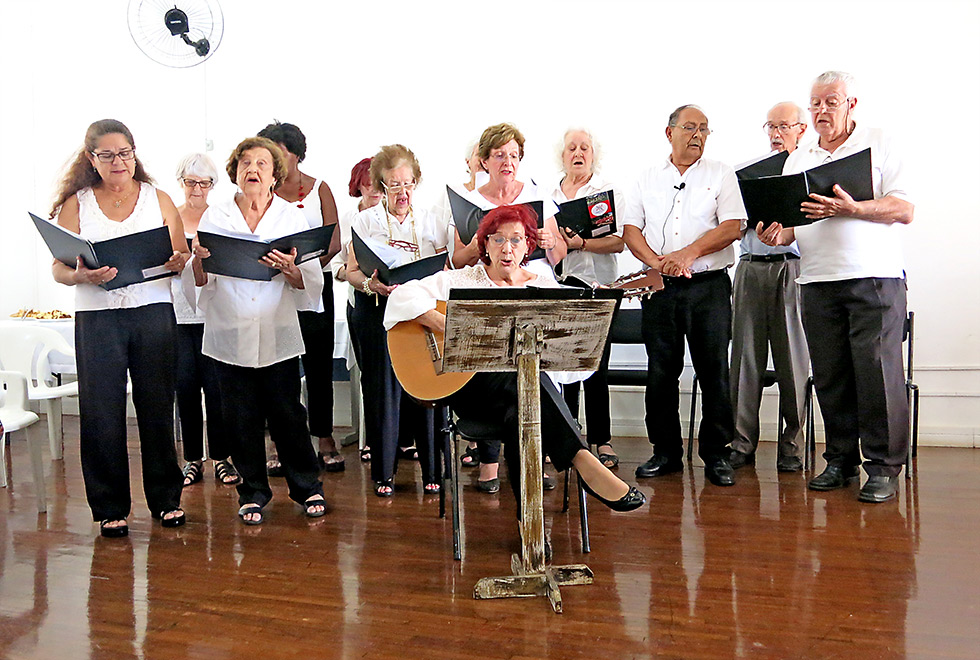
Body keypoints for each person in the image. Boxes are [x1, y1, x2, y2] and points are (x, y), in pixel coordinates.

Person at [383, 205, 645, 512]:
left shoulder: (544, 287)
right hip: (471, 394)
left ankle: (529, 527)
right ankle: (581, 458)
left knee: (522, 406)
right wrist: (448, 325)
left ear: (528, 246)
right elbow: (401, 296)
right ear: (485, 245)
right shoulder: (465, 280)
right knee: (523, 379)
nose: (507, 249)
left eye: (516, 240)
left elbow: (570, 370)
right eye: (498, 239)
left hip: (521, 398)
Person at [757, 71, 914, 503]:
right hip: (817, 279)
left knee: (877, 372)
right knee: (830, 374)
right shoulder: (798, 157)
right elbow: (793, 226)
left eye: (831, 101)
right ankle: (841, 460)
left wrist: (854, 208)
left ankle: (882, 467)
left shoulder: (877, 142)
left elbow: (903, 208)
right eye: (816, 103)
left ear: (851, 105)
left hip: (874, 278)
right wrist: (778, 235)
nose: (822, 110)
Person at [50, 118, 190, 537]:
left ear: (134, 154)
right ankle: (110, 507)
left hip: (152, 313)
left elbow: (180, 252)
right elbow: (58, 267)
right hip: (97, 317)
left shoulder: (158, 198)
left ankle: (166, 499)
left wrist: (180, 261)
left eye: (125, 153)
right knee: (101, 413)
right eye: (107, 155)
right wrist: (80, 277)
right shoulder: (77, 204)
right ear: (92, 159)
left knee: (156, 408)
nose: (118, 162)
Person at [192, 136, 326, 524]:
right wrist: (199, 261)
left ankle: (307, 487)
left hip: (277, 331)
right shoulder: (216, 216)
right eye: (245, 163)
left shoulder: (290, 217)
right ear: (235, 172)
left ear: (274, 176)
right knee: (240, 417)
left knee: (288, 413)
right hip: (228, 331)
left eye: (262, 165)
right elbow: (199, 280)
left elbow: (310, 280)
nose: (253, 170)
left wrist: (291, 270)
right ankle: (252, 492)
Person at [621, 105, 746, 488]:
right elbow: (630, 230)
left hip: (708, 287)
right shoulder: (646, 178)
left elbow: (733, 227)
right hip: (660, 288)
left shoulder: (721, 174)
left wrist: (686, 255)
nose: (698, 135)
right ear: (669, 132)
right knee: (661, 372)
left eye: (704, 129)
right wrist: (659, 263)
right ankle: (665, 452)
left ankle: (717, 453)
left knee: (713, 372)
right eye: (690, 128)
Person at [449, 122, 566, 490]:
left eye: (514, 155)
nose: (508, 161)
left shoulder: (539, 196)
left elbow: (559, 254)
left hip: (531, 286)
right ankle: (489, 463)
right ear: (484, 160)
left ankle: (537, 457)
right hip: (490, 287)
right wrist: (480, 247)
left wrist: (548, 241)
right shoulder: (471, 202)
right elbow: (457, 259)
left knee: (535, 368)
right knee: (493, 362)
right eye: (499, 155)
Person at [344, 144, 450, 497]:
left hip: (423, 310)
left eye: (407, 184)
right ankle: (384, 472)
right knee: (382, 390)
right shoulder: (365, 221)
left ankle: (433, 468)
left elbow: (446, 265)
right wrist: (371, 284)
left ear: (416, 182)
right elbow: (352, 272)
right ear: (380, 186)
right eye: (393, 186)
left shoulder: (434, 219)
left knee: (427, 384)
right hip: (378, 309)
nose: (401, 193)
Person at [256, 122, 343, 473]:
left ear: (297, 154)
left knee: (319, 365)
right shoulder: (261, 192)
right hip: (273, 289)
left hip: (315, 286)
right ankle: (280, 441)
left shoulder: (319, 188)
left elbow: (333, 242)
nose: (276, 160)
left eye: (282, 153)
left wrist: (303, 271)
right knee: (279, 368)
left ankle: (324, 436)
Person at [728, 104, 810, 473]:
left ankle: (792, 445)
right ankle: (742, 442)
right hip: (751, 268)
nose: (776, 133)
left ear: (801, 129)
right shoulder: (749, 173)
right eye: (771, 126)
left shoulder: (810, 170)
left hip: (792, 269)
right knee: (745, 359)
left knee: (793, 360)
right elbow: (731, 223)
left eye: (784, 126)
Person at [552, 127, 625, 469]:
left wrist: (582, 244)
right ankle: (568, 436)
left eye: (584, 148)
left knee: (597, 367)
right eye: (571, 148)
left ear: (594, 155)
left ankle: (602, 440)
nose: (578, 153)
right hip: (562, 285)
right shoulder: (550, 194)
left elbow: (619, 242)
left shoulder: (607, 193)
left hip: (601, 288)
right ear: (562, 156)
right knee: (563, 367)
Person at [171, 153, 240, 488]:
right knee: (185, 387)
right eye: (190, 182)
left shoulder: (219, 218)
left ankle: (222, 458)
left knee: (217, 389)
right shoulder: (169, 218)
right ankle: (192, 459)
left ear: (213, 186)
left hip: (214, 313)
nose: (197, 189)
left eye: (204, 183)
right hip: (178, 316)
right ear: (181, 182)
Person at [331, 157, 382, 463]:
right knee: (369, 375)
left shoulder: (397, 216)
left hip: (392, 304)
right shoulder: (349, 218)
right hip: (359, 302)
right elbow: (336, 265)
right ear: (358, 185)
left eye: (379, 182)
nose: (373, 189)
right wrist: (356, 273)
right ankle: (372, 439)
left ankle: (401, 439)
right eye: (367, 182)